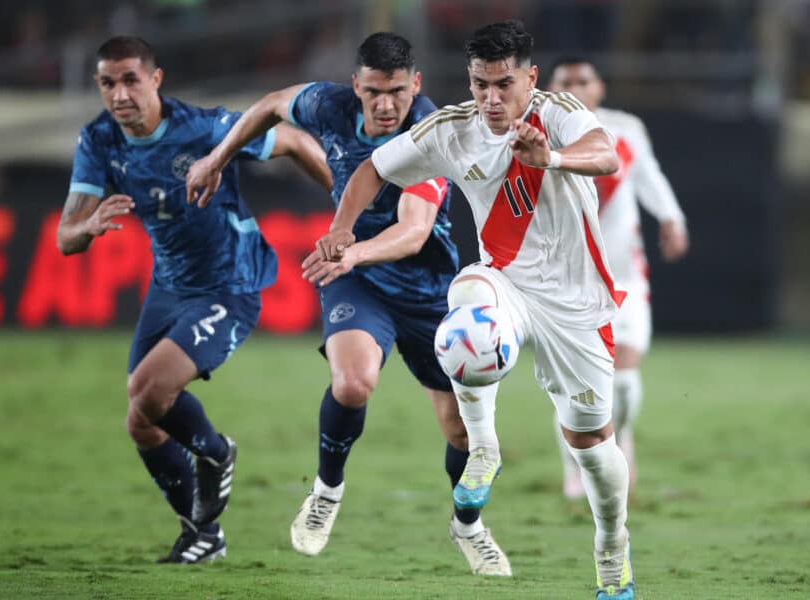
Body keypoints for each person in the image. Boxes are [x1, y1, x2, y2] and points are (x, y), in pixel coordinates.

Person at [313, 21, 636, 599]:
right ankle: (483, 447)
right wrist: (340, 229)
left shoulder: (556, 112)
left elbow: (605, 155)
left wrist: (551, 157)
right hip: (505, 284)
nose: (491, 98)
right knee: (464, 305)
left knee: (592, 448)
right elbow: (372, 170)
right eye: (480, 83)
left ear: (529, 79)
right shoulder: (452, 129)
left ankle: (613, 552)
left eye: (503, 84)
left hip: (575, 304)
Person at [185, 32, 512, 576]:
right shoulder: (326, 103)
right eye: (375, 92)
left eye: (398, 92)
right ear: (355, 86)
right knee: (353, 382)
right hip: (358, 279)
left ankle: (469, 527)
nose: (386, 105)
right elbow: (270, 107)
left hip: (427, 287)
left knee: (460, 431)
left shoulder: (432, 131)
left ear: (417, 86)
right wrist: (219, 157)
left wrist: (353, 250)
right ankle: (326, 491)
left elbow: (413, 231)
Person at [56, 36, 330, 564]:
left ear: (155, 80)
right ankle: (201, 534)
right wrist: (87, 224)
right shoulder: (99, 141)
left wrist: (347, 206)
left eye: (130, 79)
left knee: (147, 388)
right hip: (170, 288)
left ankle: (216, 452)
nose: (119, 94)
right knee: (141, 420)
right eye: (108, 83)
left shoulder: (202, 129)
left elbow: (293, 142)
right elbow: (65, 238)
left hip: (231, 282)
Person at [547, 58, 689, 499]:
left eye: (582, 80)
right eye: (564, 81)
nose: (574, 87)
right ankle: (580, 469)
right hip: (563, 280)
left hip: (624, 278)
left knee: (623, 381)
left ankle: (619, 435)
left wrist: (672, 219)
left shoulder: (624, 129)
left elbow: (650, 179)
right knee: (577, 385)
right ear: (548, 88)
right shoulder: (537, 133)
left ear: (600, 88)